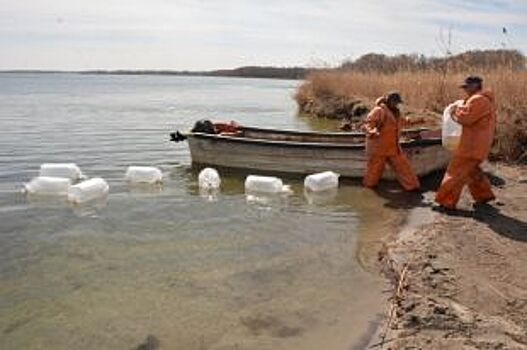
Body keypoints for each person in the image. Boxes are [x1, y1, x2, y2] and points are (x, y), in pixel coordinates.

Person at [435, 76, 496, 210]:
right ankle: (484, 195)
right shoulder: (485, 100)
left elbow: (465, 119)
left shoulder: (478, 100)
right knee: (471, 171)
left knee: (455, 173)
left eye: (466, 87)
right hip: (478, 145)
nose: (465, 90)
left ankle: (446, 201)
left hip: (470, 146)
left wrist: (453, 111)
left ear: (475, 85)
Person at [362, 92, 421, 191]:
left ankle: (413, 188)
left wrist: (418, 120)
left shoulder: (396, 112)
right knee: (373, 174)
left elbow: (404, 121)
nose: (396, 104)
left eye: (397, 102)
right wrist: (372, 131)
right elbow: (368, 124)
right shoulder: (379, 110)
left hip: (393, 148)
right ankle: (368, 190)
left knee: (405, 169)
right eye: (394, 102)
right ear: (388, 101)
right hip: (378, 149)